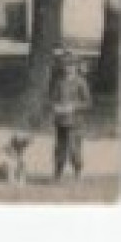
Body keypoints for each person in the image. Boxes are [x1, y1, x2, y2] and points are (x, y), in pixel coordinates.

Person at [50, 51, 93, 181]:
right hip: (60, 121)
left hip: (75, 122)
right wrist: (55, 107)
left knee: (74, 148)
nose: (68, 68)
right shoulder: (59, 82)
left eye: (71, 65)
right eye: (65, 65)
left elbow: (88, 102)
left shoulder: (81, 82)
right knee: (60, 148)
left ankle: (78, 172)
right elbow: (53, 99)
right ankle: (57, 173)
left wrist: (73, 107)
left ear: (76, 66)